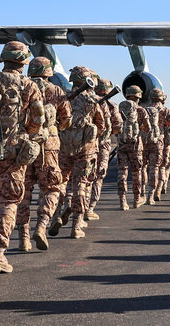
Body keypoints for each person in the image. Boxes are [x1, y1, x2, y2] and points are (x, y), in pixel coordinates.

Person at [0, 40, 45, 273]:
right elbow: (37, 120)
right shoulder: (28, 85)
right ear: (24, 62)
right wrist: (26, 135)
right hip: (14, 154)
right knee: (9, 202)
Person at [20, 56, 71, 251]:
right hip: (48, 146)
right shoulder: (56, 90)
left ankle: (23, 238)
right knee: (51, 188)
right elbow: (66, 120)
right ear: (48, 72)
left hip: (23, 145)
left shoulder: (22, 86)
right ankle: (41, 226)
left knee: (23, 192)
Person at [52, 66, 110, 238]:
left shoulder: (63, 98)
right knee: (81, 186)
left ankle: (55, 216)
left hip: (63, 148)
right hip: (85, 151)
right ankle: (76, 226)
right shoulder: (91, 100)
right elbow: (102, 126)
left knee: (60, 184)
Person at [88, 78, 122, 216]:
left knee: (83, 175)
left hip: (86, 143)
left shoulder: (86, 100)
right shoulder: (111, 105)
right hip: (103, 144)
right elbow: (118, 127)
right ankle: (90, 208)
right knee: (99, 175)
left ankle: (74, 204)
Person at [116, 85, 147, 208]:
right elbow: (148, 128)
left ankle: (122, 201)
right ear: (139, 96)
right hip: (135, 145)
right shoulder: (141, 110)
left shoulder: (120, 108)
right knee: (136, 173)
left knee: (122, 173)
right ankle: (136, 199)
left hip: (121, 144)